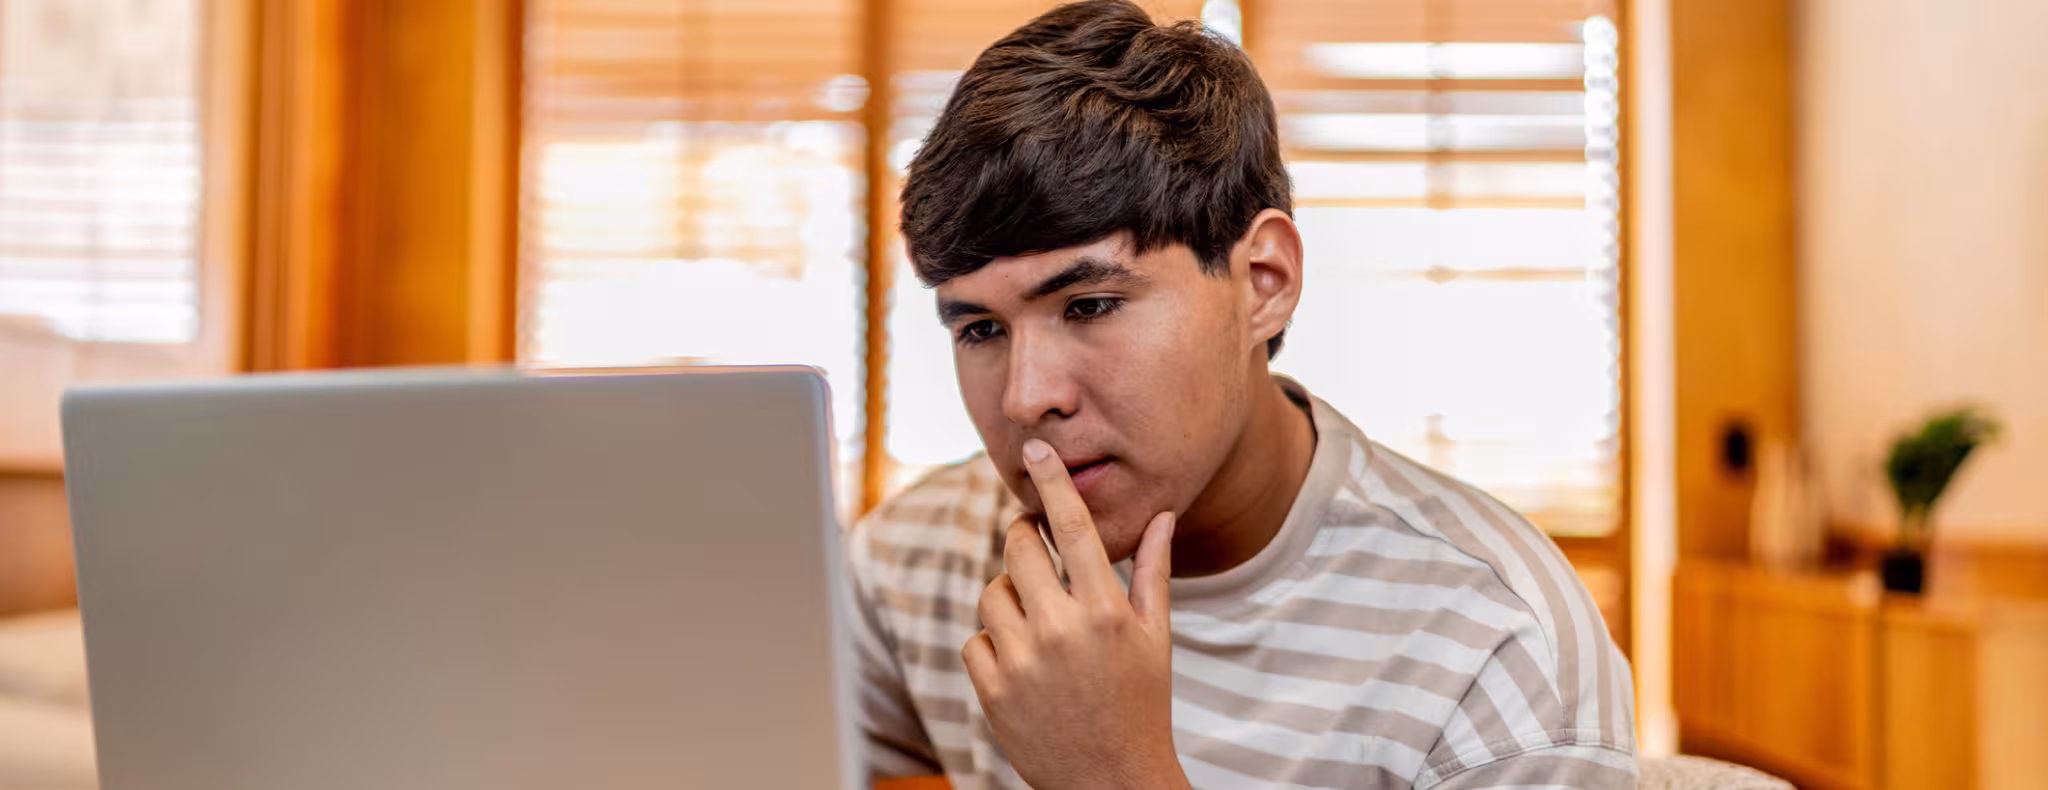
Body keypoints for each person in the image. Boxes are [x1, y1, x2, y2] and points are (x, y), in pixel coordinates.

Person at [842, 1, 1637, 787]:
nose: (1025, 399)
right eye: (980, 329)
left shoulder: (1499, 652)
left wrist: (1115, 776)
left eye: (1089, 306)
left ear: (1264, 283)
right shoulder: (916, 564)